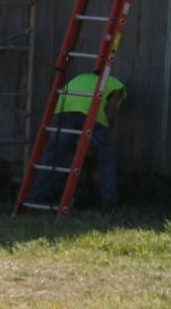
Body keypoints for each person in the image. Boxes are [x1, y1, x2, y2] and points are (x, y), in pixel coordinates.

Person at [32, 71, 127, 209]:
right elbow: (110, 113)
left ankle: (36, 198)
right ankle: (110, 203)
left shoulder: (79, 78)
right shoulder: (117, 85)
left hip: (62, 112)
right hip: (90, 115)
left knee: (53, 158)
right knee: (105, 156)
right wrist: (104, 135)